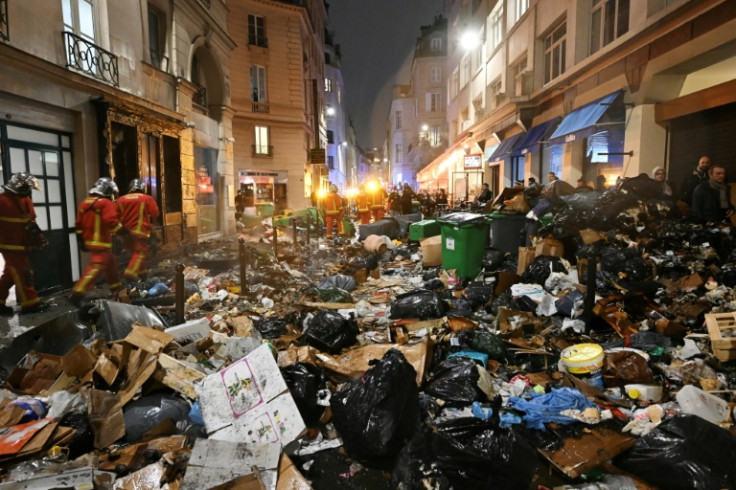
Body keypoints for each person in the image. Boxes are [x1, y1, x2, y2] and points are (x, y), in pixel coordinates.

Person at [70, 177, 124, 306]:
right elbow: (111, 221)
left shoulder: (84, 203)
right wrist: (124, 231)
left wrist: (81, 241)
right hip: (101, 242)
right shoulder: (105, 203)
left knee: (111, 264)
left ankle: (116, 288)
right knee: (95, 268)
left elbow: (78, 224)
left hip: (90, 241)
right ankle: (77, 293)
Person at [0, 172, 48, 315]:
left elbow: (31, 223)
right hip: (9, 246)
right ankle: (30, 304)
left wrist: (39, 238)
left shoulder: (26, 201)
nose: (29, 192)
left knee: (10, 274)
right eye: (27, 188)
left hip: (22, 245)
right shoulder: (2, 201)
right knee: (24, 273)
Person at [116, 178, 160, 282]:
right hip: (140, 232)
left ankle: (143, 276)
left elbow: (115, 217)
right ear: (142, 188)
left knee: (136, 255)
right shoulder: (147, 198)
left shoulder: (120, 200)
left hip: (125, 233)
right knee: (140, 254)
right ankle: (130, 274)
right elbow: (155, 213)